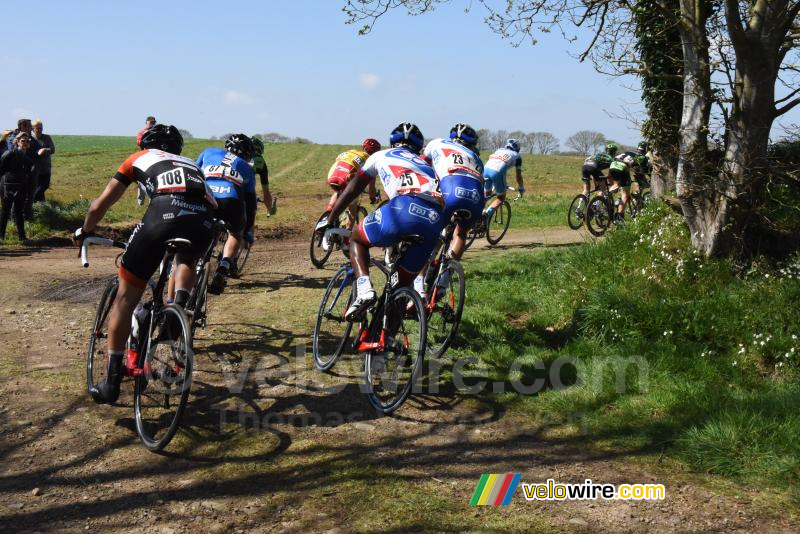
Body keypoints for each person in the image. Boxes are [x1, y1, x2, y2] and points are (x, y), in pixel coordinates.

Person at [74, 125, 216, 404]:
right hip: (202, 222)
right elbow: (212, 203)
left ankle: (112, 381)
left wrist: (85, 230)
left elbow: (100, 205)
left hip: (162, 215)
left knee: (125, 299)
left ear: (144, 146)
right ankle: (178, 309)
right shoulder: (191, 164)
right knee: (186, 259)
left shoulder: (137, 158)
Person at [316, 122, 444, 320]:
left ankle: (365, 290)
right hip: (433, 220)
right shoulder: (426, 165)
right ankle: (386, 344)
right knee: (399, 291)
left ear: (392, 143)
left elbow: (353, 189)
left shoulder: (380, 155)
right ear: (419, 147)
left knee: (357, 239)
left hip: (403, 208)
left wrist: (331, 219)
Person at [196, 134, 258, 294]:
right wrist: (247, 228)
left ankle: (192, 258)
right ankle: (223, 268)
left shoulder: (208, 151)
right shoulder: (246, 167)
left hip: (206, 197)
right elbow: (251, 203)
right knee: (235, 233)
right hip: (231, 200)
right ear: (247, 154)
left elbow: (194, 172)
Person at [422, 123, 484, 262]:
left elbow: (422, 167)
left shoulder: (436, 142)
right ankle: (446, 276)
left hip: (450, 192)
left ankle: (419, 278)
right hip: (475, 198)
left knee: (431, 230)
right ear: (472, 143)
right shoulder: (477, 158)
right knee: (461, 234)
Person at [322, 138, 381, 250]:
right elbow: (371, 187)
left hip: (332, 175)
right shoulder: (370, 160)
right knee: (352, 213)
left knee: (339, 191)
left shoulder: (350, 152)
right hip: (345, 179)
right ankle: (345, 242)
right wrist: (372, 197)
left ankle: (328, 212)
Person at [0, 133, 36, 241]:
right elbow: (1, 169)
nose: (25, 143)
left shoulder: (27, 158)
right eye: (22, 141)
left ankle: (22, 237)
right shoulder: (9, 154)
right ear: (17, 142)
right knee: (5, 211)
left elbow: (30, 172)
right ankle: (1, 236)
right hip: (8, 186)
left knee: (19, 212)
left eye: (27, 141)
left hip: (21, 186)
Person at [8, 119, 45, 220]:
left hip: (30, 170)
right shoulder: (13, 138)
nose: (31, 128)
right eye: (29, 126)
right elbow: (14, 152)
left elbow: (38, 148)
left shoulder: (30, 137)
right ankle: (14, 219)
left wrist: (41, 150)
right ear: (23, 127)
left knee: (30, 194)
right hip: (18, 172)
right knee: (17, 196)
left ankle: (27, 216)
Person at [483, 138, 525, 220]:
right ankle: (486, 216)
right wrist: (521, 188)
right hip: (497, 172)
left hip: (486, 169)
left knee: (486, 196)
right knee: (501, 197)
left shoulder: (498, 150)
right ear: (517, 149)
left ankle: (479, 213)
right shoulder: (517, 156)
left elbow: (492, 159)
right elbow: (518, 176)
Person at [31, 120, 56, 202]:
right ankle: (38, 204)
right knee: (37, 186)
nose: (40, 129)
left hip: (45, 168)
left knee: (45, 185)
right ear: (33, 128)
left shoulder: (47, 137)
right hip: (34, 168)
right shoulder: (29, 138)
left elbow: (52, 149)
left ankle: (33, 201)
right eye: (38, 128)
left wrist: (45, 150)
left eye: (41, 128)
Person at [135, 116, 157, 206]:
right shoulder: (142, 132)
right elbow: (139, 142)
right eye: (150, 123)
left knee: (154, 178)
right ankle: (140, 200)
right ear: (146, 123)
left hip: (155, 157)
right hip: (144, 157)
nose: (151, 124)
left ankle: (152, 200)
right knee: (141, 178)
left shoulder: (157, 132)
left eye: (153, 123)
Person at [609, 151, 635, 223]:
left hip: (612, 165)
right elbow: (633, 169)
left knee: (616, 184)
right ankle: (619, 216)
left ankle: (610, 195)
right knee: (625, 194)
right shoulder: (634, 156)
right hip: (622, 167)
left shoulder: (622, 154)